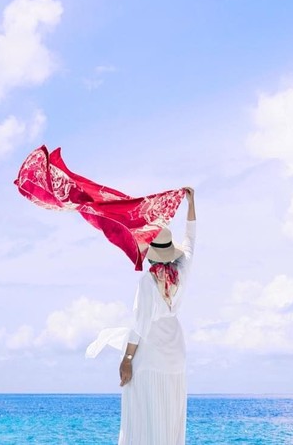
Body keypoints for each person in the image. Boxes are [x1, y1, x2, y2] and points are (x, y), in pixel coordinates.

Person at [117, 186, 196, 445]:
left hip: (151, 354)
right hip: (175, 353)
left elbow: (138, 325)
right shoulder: (182, 273)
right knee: (170, 415)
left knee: (143, 414)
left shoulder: (148, 283)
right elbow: (191, 240)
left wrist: (127, 359)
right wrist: (191, 203)